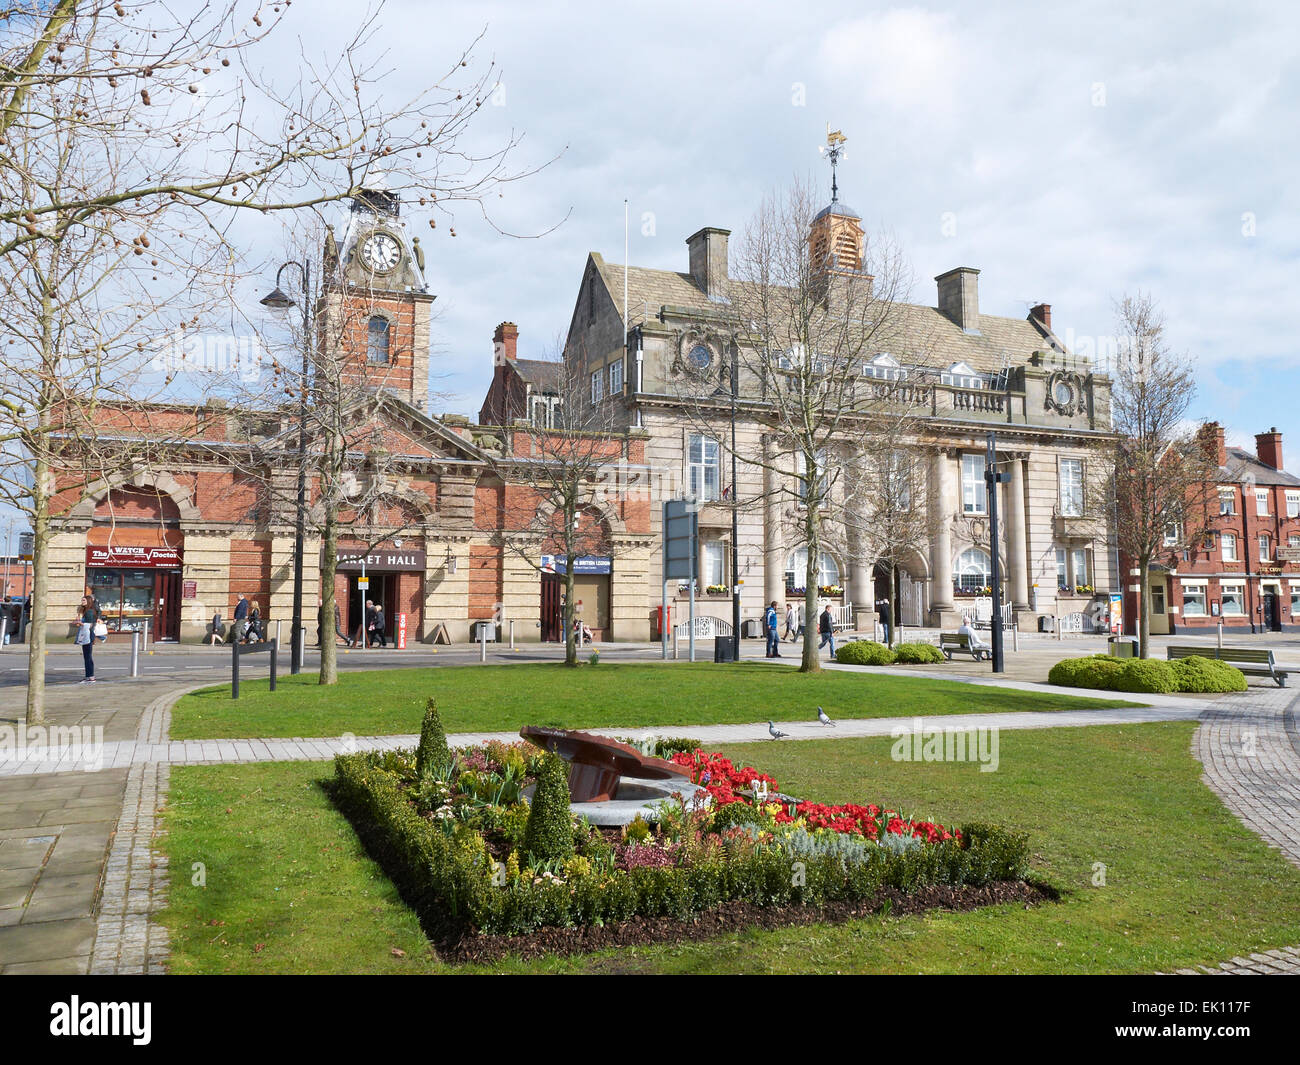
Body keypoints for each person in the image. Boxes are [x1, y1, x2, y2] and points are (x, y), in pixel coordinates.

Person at [75, 595, 100, 683]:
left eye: (84, 600)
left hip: (88, 634)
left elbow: (90, 625)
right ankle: (88, 676)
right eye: (82, 600)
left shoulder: (89, 612)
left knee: (88, 657)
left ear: (88, 601)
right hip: (87, 634)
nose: (82, 602)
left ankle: (91, 677)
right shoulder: (87, 610)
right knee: (87, 656)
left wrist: (80, 623)